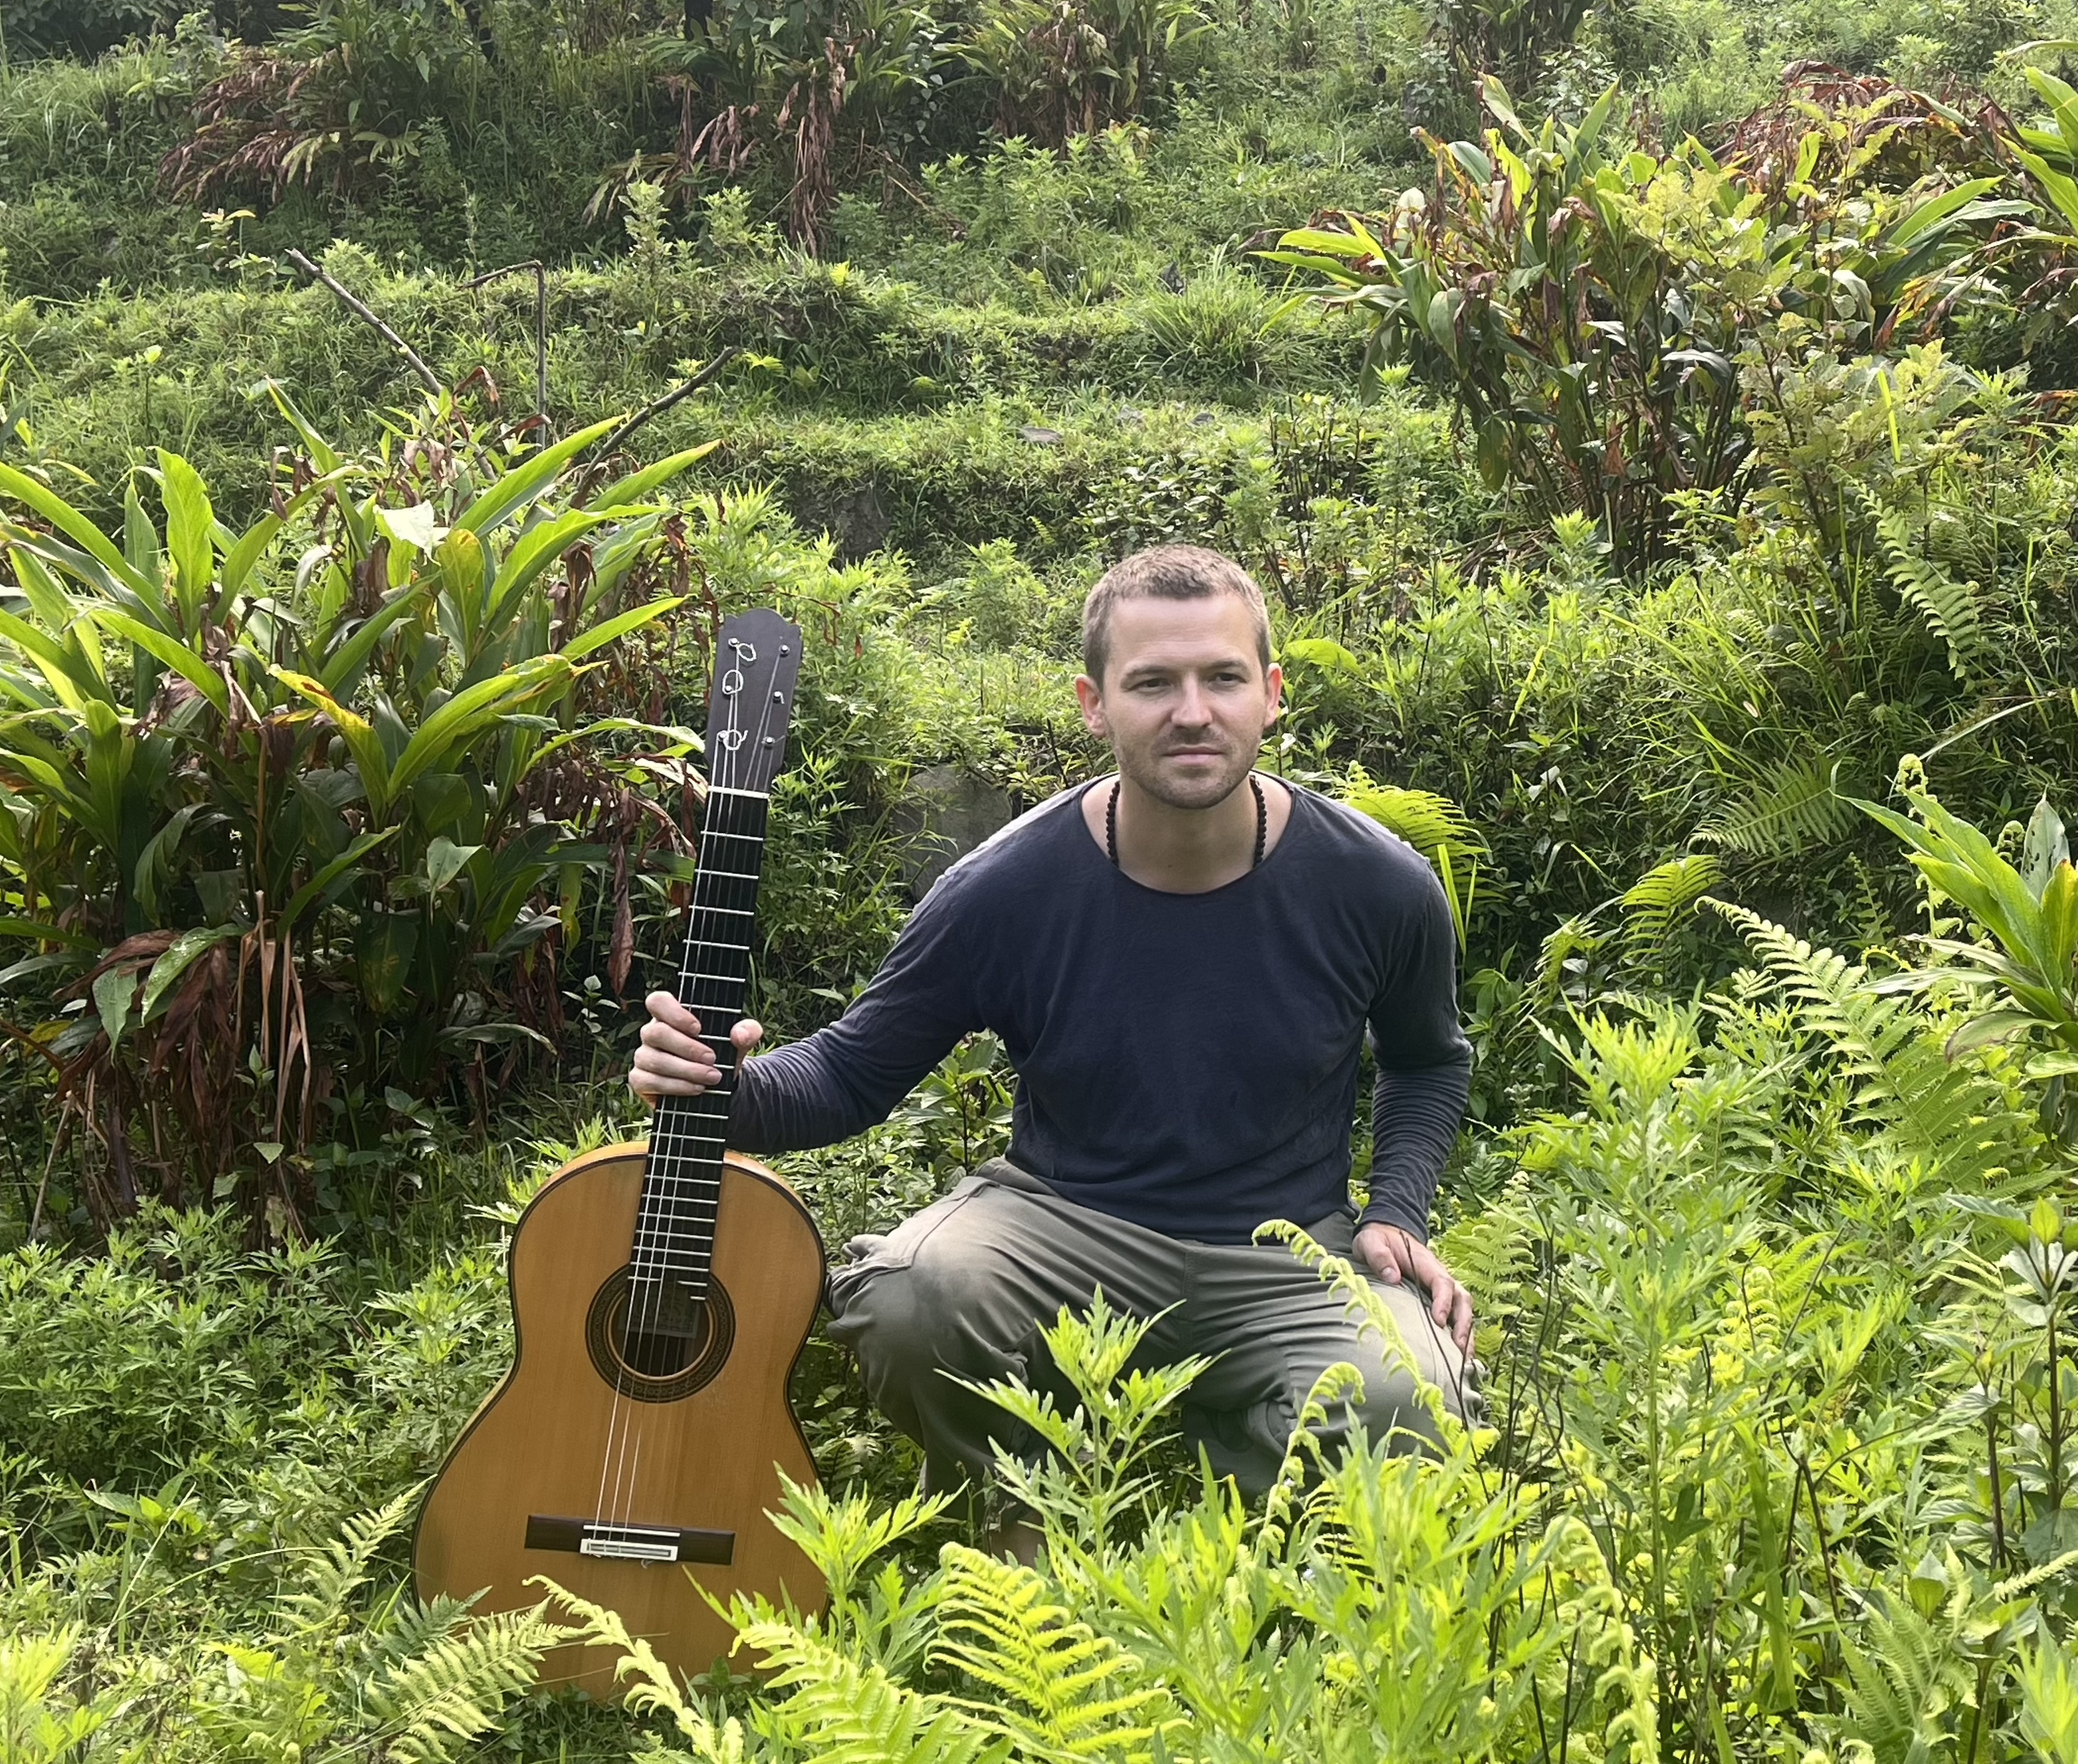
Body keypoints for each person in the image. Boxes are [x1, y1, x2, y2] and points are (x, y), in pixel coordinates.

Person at [631, 542, 1476, 1513]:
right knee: (910, 1298)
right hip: (1061, 1227)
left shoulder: (1377, 884)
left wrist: (1395, 1211)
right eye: (1151, 682)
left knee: (1412, 1400)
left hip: (1287, 1247)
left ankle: (1232, 1491)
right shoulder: (1005, 889)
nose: (1191, 711)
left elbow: (1427, 1060)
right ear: (1093, 703)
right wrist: (716, 1086)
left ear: (1271, 694)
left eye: (1222, 678)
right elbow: (851, 1074)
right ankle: (1015, 1517)